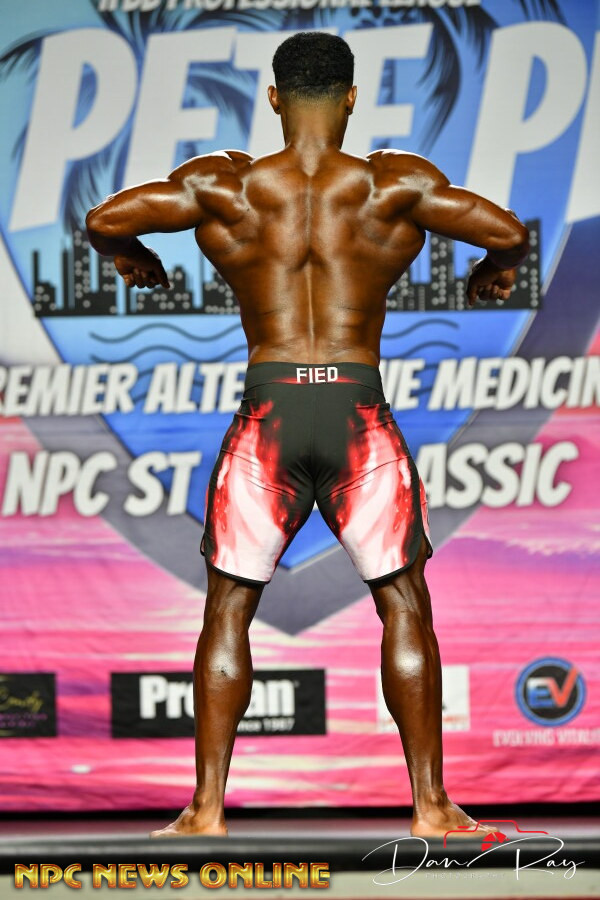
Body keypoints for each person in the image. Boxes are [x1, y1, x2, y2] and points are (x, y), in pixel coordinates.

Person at [86, 31, 529, 839]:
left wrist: (132, 258)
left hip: (270, 417)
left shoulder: (226, 185)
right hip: (358, 414)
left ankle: (205, 810)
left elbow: (104, 219)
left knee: (228, 607)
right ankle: (430, 807)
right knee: (404, 602)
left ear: (274, 99)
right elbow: (506, 232)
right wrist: (491, 272)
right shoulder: (394, 184)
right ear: (352, 98)